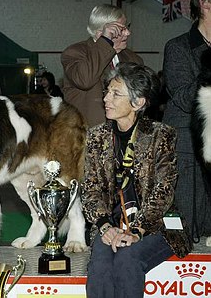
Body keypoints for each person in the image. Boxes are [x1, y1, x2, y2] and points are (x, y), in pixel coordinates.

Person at [81, 62, 193, 297]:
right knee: (100, 264)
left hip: (156, 226)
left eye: (115, 94)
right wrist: (105, 227)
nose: (106, 99)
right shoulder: (97, 136)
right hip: (110, 224)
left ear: (138, 102)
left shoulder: (161, 135)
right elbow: (90, 190)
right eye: (107, 92)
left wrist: (136, 231)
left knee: (127, 258)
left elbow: (163, 192)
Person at [162, 0, 211, 243]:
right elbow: (182, 97)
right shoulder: (178, 48)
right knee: (186, 229)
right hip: (187, 147)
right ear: (204, 3)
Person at [61, 4, 143, 127]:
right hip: (86, 136)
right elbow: (85, 80)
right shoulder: (75, 52)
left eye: (127, 27)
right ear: (101, 33)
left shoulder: (133, 59)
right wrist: (105, 43)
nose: (128, 33)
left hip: (123, 136)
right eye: (121, 29)